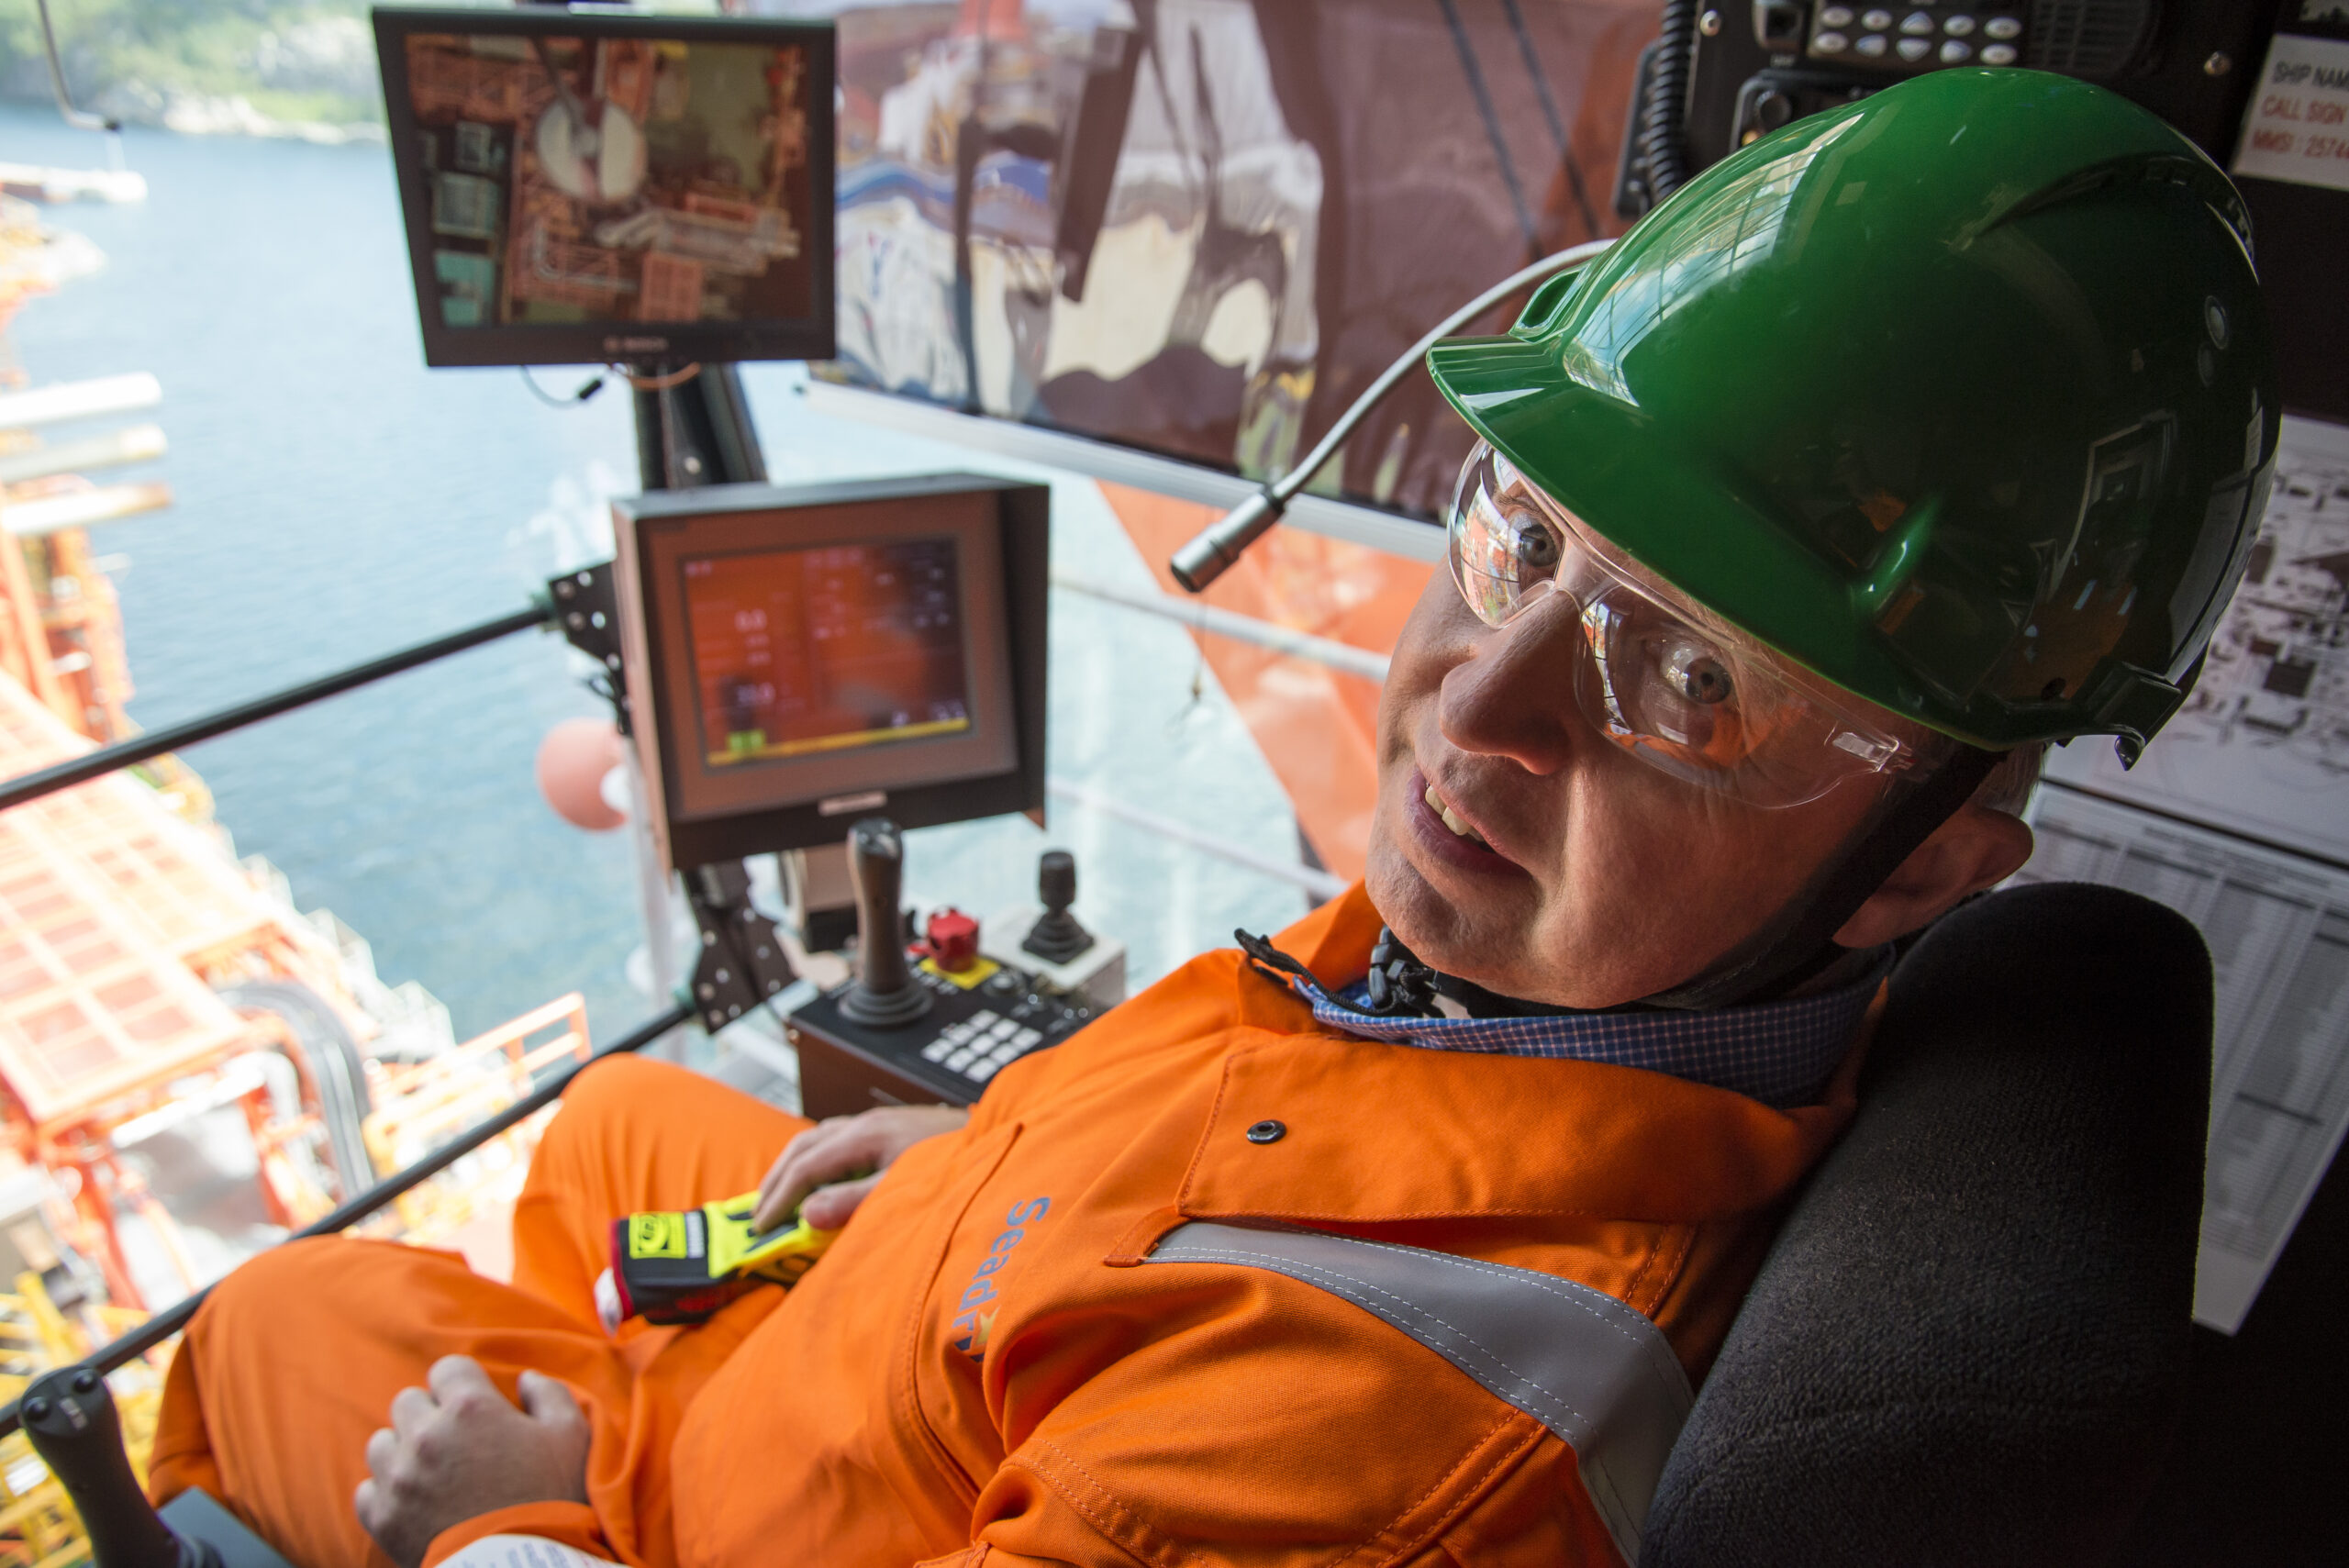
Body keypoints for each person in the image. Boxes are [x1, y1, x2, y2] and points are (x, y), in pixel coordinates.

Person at [148, 68, 2275, 1568]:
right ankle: (596, 1362)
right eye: (1521, 543)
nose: (1476, 710)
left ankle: (553, 1431)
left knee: (277, 1325)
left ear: (1914, 863)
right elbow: (1324, 1114)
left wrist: (505, 1528)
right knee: (621, 1142)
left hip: (735, 1512)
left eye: (1690, 678)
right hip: (976, 1301)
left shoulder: (1356, 1481)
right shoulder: (1544, 973)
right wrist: (1003, 1169)